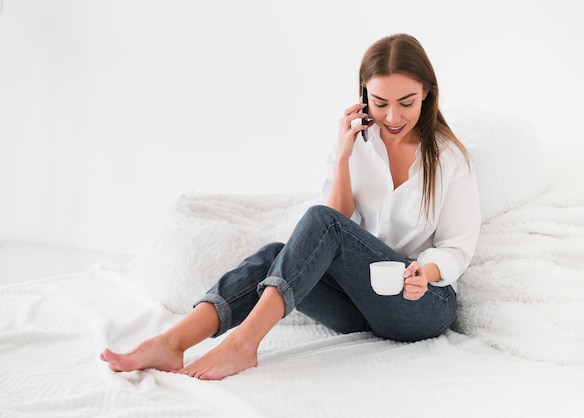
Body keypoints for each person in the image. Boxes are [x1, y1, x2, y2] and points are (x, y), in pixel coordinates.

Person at [100, 33, 481, 380]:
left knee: (316, 224)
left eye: (406, 102)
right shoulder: (356, 144)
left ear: (427, 94)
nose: (393, 117)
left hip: (421, 304)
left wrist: (425, 274)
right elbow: (337, 224)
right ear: (363, 94)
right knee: (274, 256)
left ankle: (242, 344)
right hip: (361, 308)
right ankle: (173, 342)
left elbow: (456, 247)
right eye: (380, 103)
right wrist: (344, 157)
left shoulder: (449, 159)